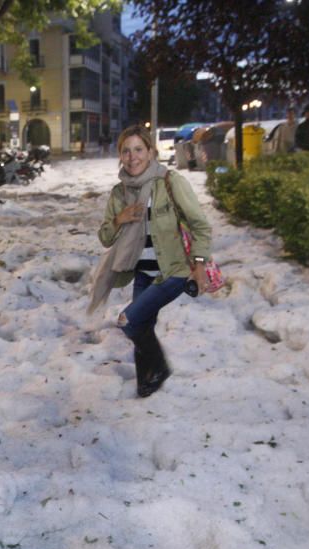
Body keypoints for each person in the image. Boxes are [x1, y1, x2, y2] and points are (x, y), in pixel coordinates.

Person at [88, 125, 214, 397]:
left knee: (129, 321)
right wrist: (119, 219)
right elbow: (105, 237)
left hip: (175, 271)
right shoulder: (119, 194)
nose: (133, 157)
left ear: (151, 152)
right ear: (120, 155)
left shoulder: (169, 182)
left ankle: (159, 368)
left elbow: (200, 226)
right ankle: (146, 383)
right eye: (126, 151)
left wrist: (200, 264)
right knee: (143, 326)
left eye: (138, 150)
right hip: (143, 272)